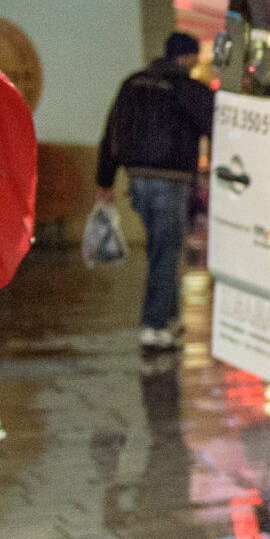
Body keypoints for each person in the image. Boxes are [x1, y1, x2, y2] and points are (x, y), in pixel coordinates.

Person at [96, 31, 213, 350]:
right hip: (168, 180)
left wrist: (104, 182)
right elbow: (213, 122)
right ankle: (155, 325)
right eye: (195, 56)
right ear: (185, 57)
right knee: (165, 253)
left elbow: (111, 132)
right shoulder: (188, 89)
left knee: (161, 250)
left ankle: (169, 320)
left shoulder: (133, 84)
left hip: (137, 181)